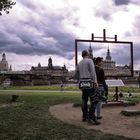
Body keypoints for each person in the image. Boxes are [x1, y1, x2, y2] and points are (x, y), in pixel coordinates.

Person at [75, 50, 100, 125]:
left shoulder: (79, 63)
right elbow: (93, 72)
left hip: (82, 84)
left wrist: (79, 80)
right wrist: (95, 82)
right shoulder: (90, 61)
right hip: (89, 83)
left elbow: (76, 74)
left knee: (84, 100)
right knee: (94, 99)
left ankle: (84, 116)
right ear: (87, 54)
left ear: (82, 55)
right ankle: (91, 116)